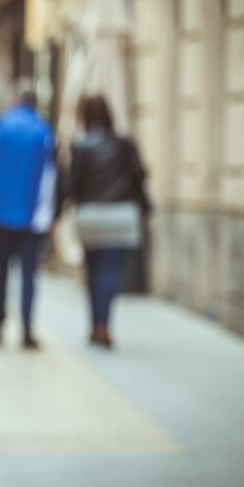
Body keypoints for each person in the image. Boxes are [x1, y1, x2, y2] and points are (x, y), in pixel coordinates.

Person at [0, 78, 58, 349]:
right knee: (28, 275)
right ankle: (27, 329)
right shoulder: (43, 130)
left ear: (15, 99)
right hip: (31, 216)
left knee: (0, 272)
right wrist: (46, 216)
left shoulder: (0, 125)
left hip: (0, 213)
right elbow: (49, 177)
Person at [68, 95, 150, 349]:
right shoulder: (125, 144)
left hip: (90, 216)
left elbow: (72, 183)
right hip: (120, 216)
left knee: (93, 273)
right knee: (109, 273)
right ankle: (103, 326)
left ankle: (95, 326)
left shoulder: (80, 145)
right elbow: (141, 175)